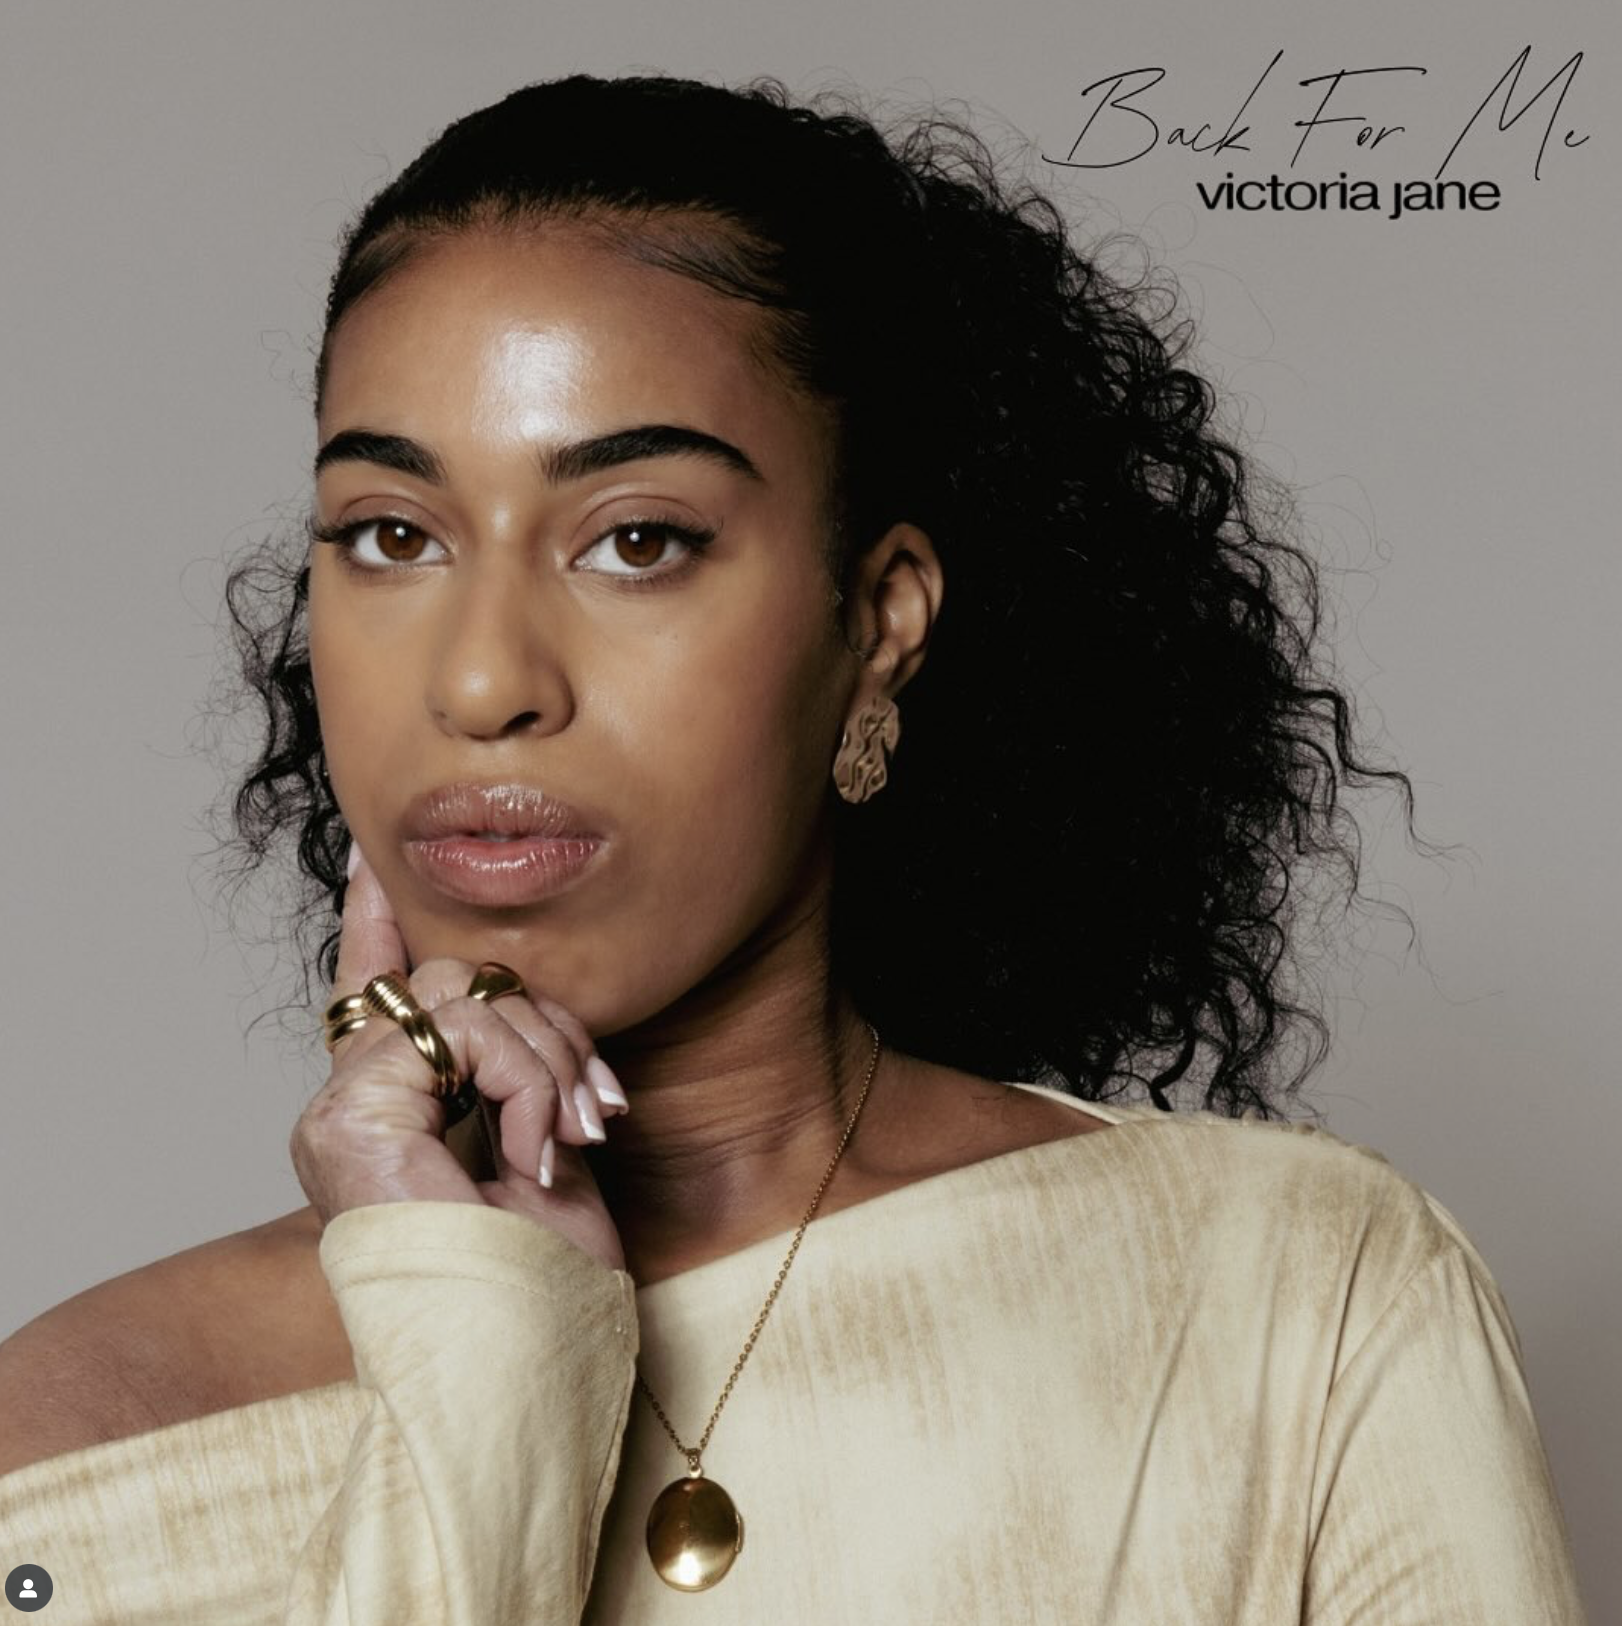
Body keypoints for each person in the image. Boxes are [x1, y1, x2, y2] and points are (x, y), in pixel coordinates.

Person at [0, 71, 1589, 1624]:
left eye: (638, 539)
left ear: (876, 621)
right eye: (391, 535)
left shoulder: (1291, 1294)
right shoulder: (74, 1439)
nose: (482, 680)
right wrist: (486, 1370)